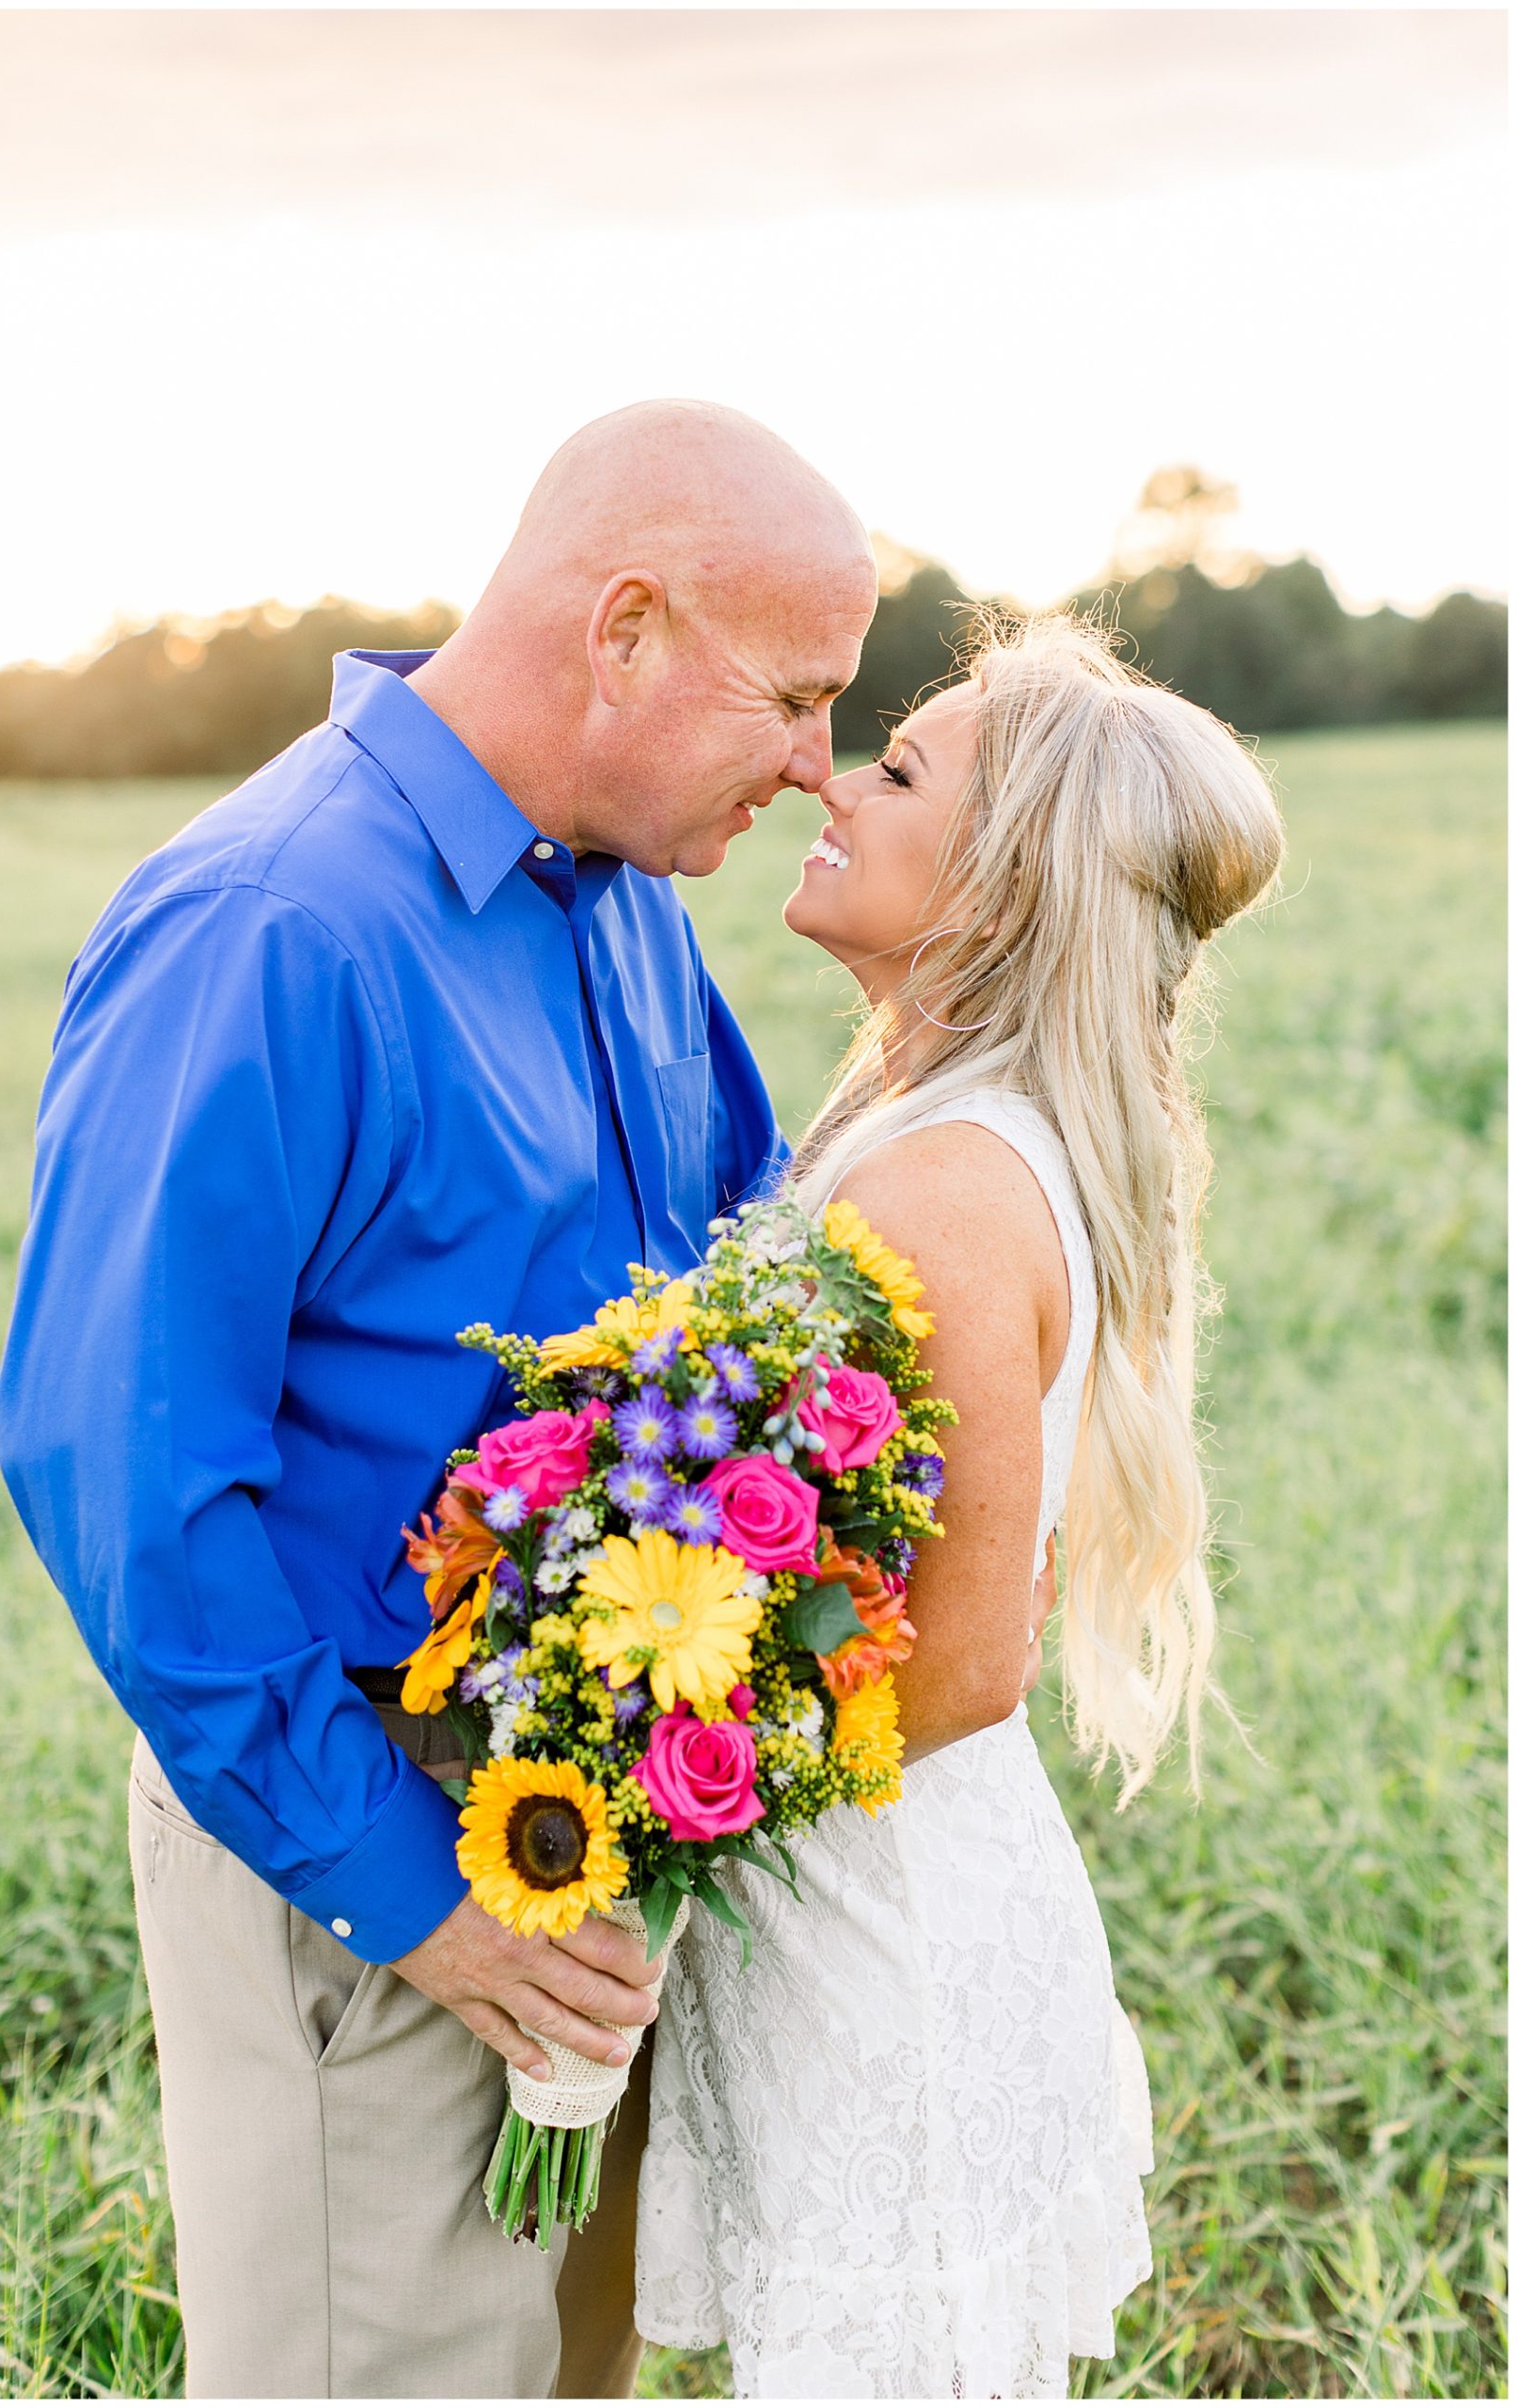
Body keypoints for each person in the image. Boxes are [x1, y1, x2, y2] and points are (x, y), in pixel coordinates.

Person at [0, 399, 887, 2400]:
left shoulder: (631, 907)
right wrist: (416, 1900)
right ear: (626, 627)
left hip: (598, 1837)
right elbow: (123, 1477)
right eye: (797, 697)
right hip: (361, 1846)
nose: (818, 763)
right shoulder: (268, 924)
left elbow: (738, 1298)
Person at [636, 614, 1286, 2398]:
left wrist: (641, 1793)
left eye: (901, 768)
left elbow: (969, 1658)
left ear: (1004, 884)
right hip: (852, 1898)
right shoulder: (929, 1120)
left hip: (882, 1945)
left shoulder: (945, 1183)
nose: (833, 780)